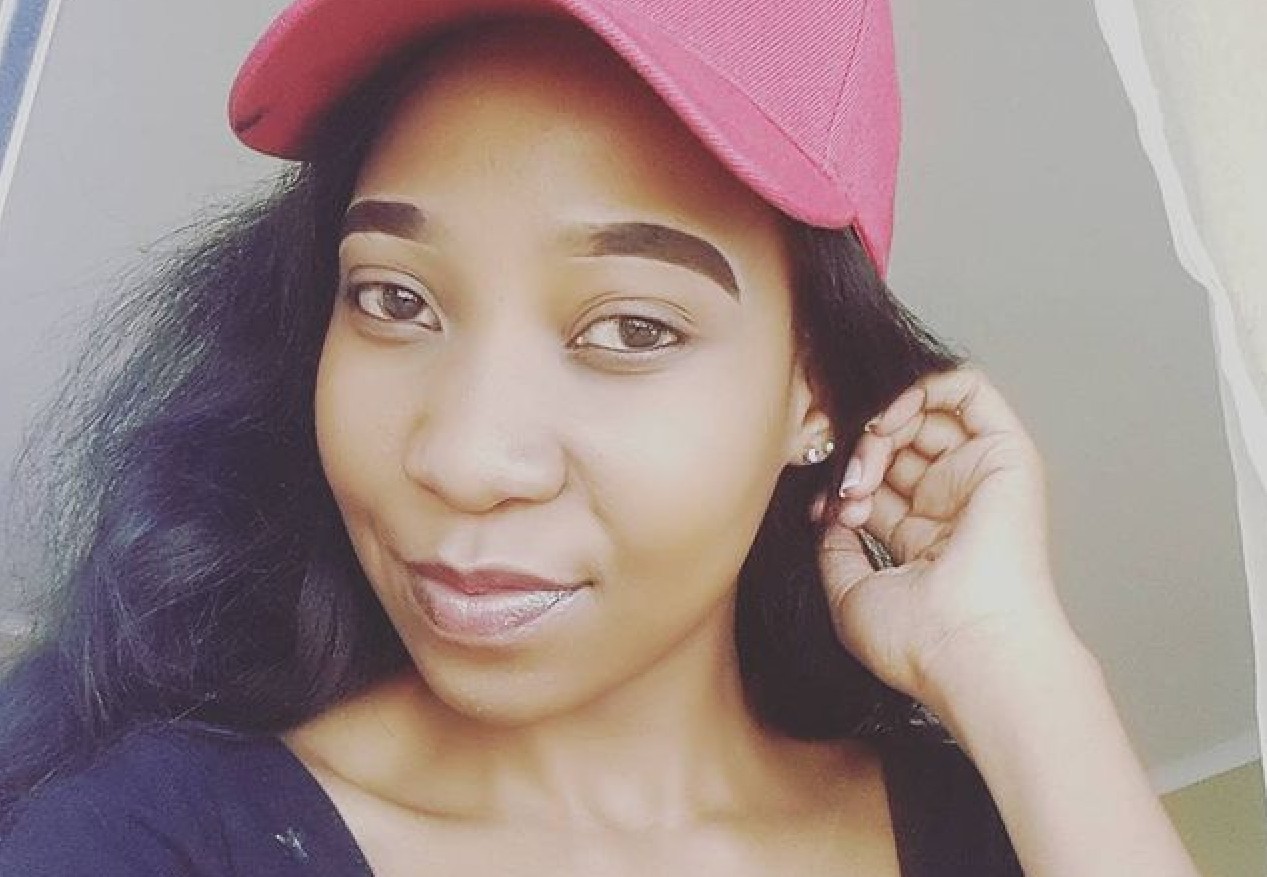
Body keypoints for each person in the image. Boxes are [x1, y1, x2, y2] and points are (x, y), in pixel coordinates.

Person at [0, 1, 1198, 874]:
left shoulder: (998, 825)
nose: (464, 457)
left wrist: (1019, 669)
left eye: (630, 327)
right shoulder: (145, 840)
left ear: (817, 387)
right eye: (395, 299)